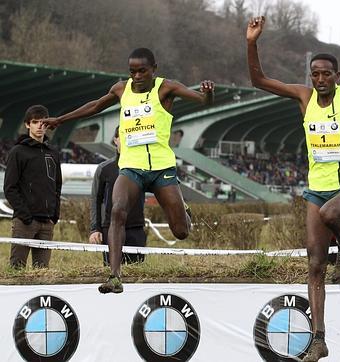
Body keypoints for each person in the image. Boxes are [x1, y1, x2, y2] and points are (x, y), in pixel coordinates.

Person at [247, 16, 340, 361]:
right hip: (316, 187)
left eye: (325, 74)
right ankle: (319, 339)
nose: (319, 80)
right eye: (314, 74)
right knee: (315, 264)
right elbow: (258, 79)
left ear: (337, 76)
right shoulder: (304, 97)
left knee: (331, 213)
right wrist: (252, 41)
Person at [44, 48, 215, 293]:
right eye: (132, 71)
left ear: (154, 68)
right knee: (117, 211)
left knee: (180, 232)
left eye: (142, 71)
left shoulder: (166, 88)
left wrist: (208, 94)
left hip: (160, 167)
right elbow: (95, 106)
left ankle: (184, 211)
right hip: (131, 165)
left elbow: (202, 101)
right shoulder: (121, 89)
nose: (136, 76)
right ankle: (114, 276)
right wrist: (60, 120)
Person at [3, 105, 62, 269]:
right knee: (17, 269)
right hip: (25, 222)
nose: (39, 126)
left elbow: (57, 186)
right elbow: (9, 188)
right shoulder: (18, 152)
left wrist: (54, 215)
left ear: (48, 125)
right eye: (35, 122)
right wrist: (25, 216)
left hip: (47, 222)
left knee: (42, 272)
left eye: (43, 123)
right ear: (27, 124)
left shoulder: (53, 153)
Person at [89, 126, 146, 265]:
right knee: (111, 272)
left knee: (136, 274)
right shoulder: (104, 168)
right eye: (122, 136)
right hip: (110, 228)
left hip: (136, 228)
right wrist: (95, 229)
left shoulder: (143, 167)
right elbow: (95, 200)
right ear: (115, 140)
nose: (126, 140)